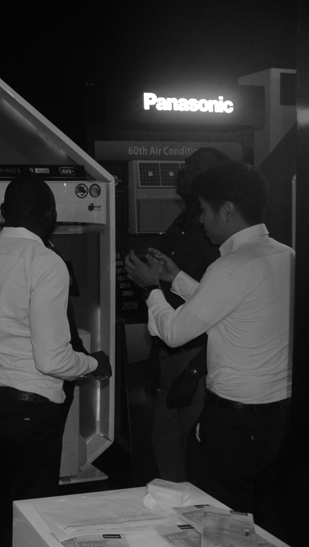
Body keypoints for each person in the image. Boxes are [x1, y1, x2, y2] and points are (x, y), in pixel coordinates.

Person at [125, 162, 293, 513]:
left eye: (203, 209)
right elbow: (230, 307)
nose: (200, 220)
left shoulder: (230, 267)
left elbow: (174, 333)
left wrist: (151, 289)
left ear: (227, 210)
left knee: (217, 517)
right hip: (279, 418)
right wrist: (176, 277)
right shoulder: (286, 255)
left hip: (233, 424)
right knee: (264, 518)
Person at [0, 175, 112, 547]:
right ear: (50, 214)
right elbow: (51, 359)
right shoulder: (46, 263)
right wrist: (93, 364)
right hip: (28, 412)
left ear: (3, 213)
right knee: (31, 522)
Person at [149, 147, 229, 482]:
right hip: (171, 354)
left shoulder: (219, 239)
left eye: (193, 167)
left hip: (196, 361)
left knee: (198, 467)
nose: (182, 171)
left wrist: (194, 371)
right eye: (184, 164)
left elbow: (222, 316)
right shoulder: (182, 223)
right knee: (166, 458)